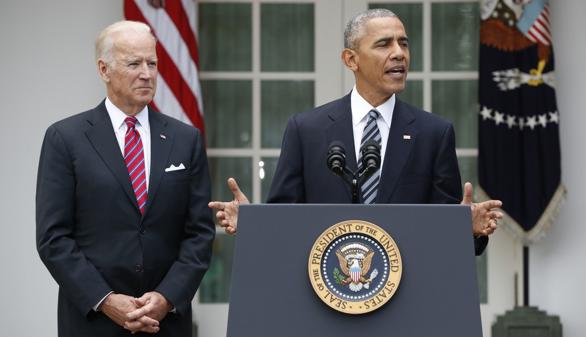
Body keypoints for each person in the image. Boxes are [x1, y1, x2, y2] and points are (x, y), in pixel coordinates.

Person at [209, 9, 501, 254]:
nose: (399, 53)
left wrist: (468, 230)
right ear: (351, 59)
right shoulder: (306, 129)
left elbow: (445, 234)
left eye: (404, 43)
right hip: (324, 297)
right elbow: (285, 222)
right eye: (384, 44)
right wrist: (253, 223)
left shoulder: (434, 133)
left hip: (406, 303)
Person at [36, 21, 214, 336]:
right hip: (93, 322)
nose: (147, 73)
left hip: (165, 322)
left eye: (152, 63)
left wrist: (166, 296)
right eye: (134, 64)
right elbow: (54, 237)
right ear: (104, 70)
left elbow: (199, 233)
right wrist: (105, 300)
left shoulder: (186, 139)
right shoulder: (65, 138)